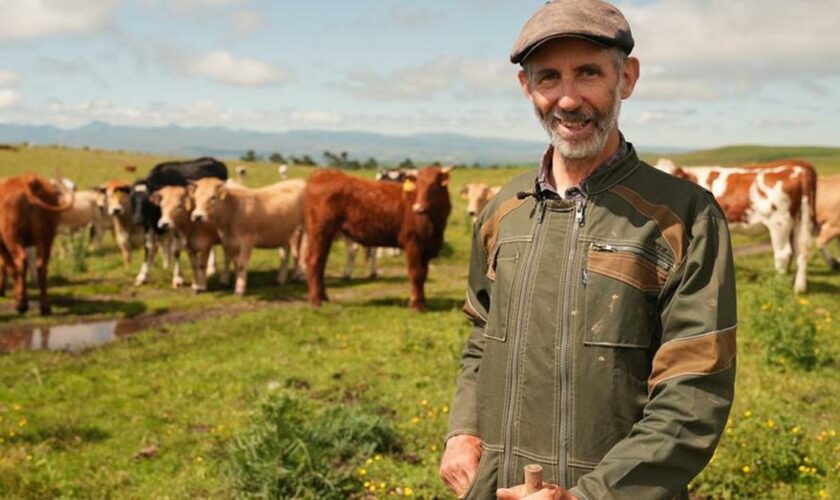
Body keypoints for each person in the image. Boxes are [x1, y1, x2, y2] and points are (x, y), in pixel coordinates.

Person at [440, 0, 737, 498]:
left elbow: (694, 394)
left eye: (588, 73)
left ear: (627, 79)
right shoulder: (502, 211)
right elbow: (481, 336)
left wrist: (589, 495)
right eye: (549, 77)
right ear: (526, 88)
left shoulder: (684, 217)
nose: (569, 98)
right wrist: (462, 429)